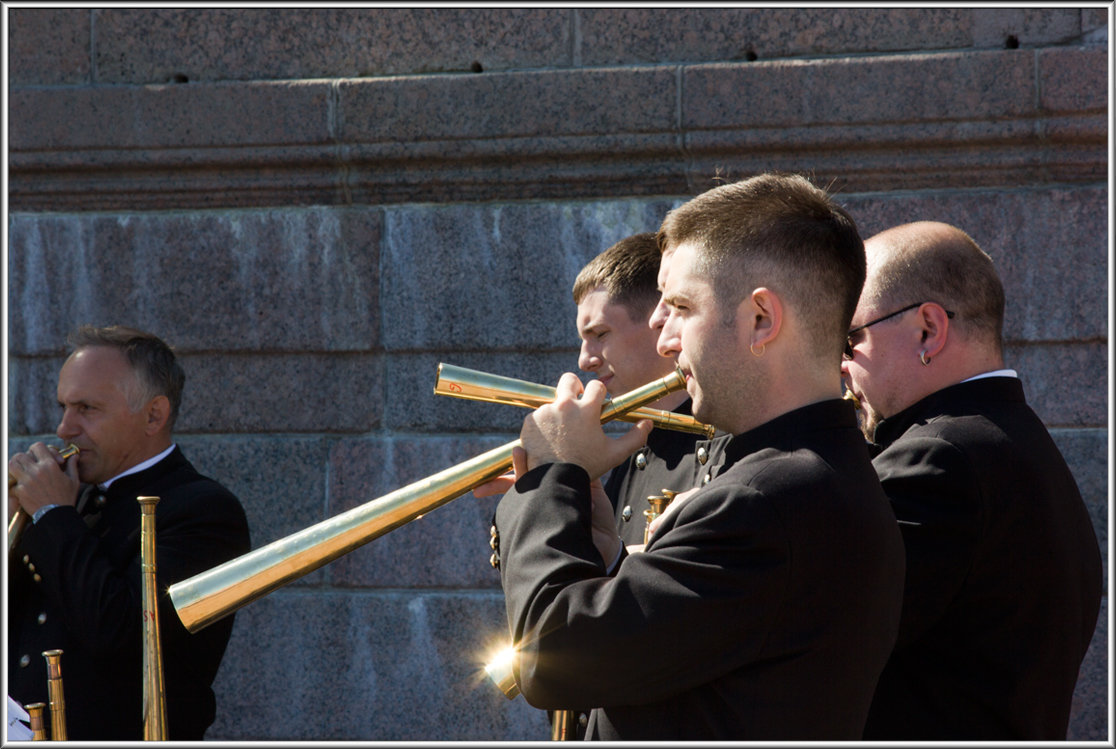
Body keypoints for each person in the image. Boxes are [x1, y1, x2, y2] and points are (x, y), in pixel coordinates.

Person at [489, 173, 906, 739]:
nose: (665, 341)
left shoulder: (769, 500)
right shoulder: (809, 474)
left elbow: (552, 653)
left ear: (762, 318)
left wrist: (549, 478)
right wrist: (609, 557)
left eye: (681, 307)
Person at [841, 221, 1103, 740]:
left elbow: (812, 631)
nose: (840, 365)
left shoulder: (939, 460)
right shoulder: (1014, 439)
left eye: (849, 339)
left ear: (928, 330)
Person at [8, 325, 251, 741]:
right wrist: (15, 523)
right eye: (64, 406)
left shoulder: (203, 509)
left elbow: (124, 635)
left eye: (87, 408)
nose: (65, 427)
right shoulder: (73, 501)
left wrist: (50, 514)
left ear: (153, 415)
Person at [572, 232, 724, 548]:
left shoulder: (727, 436)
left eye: (600, 334)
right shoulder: (631, 455)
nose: (585, 360)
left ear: (662, 316)